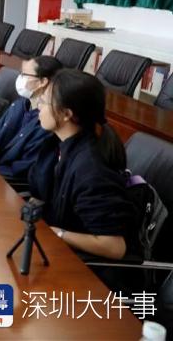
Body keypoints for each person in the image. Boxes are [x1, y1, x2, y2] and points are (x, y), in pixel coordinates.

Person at [28, 69, 137, 260]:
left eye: (44, 102)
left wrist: (58, 233)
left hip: (85, 266)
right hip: (54, 248)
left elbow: (114, 247)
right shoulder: (55, 144)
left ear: (66, 114)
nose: (38, 107)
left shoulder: (91, 170)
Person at [0, 56, 63, 180]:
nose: (20, 78)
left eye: (24, 74)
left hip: (3, 181)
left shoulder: (47, 123)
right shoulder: (20, 104)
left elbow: (20, 170)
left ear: (42, 82)